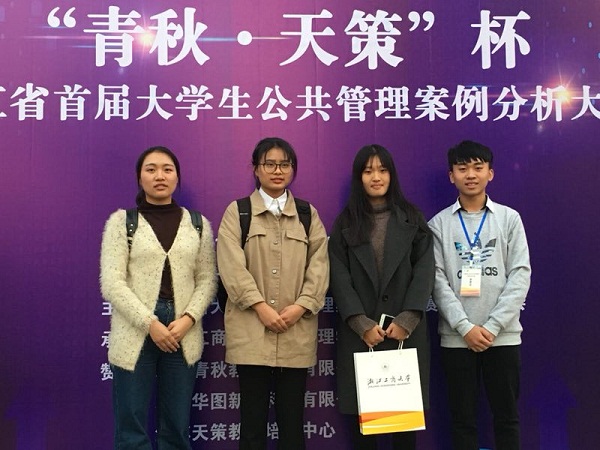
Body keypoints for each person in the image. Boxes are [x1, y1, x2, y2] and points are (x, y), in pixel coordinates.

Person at [100, 146, 217, 449]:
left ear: (177, 177)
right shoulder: (122, 222)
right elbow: (112, 282)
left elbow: (207, 279)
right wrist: (149, 323)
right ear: (139, 177)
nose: (159, 176)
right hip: (134, 330)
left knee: (176, 425)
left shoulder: (198, 224)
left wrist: (188, 319)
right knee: (132, 426)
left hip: (182, 332)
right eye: (150, 169)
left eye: (167, 169)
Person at [216, 137, 329, 450]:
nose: (277, 171)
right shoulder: (238, 212)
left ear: (292, 169)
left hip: (296, 331)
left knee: (292, 427)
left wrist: (301, 306)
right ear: (256, 169)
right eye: (269, 164)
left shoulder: (307, 214)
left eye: (284, 164)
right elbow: (231, 267)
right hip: (251, 332)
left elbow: (320, 266)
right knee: (252, 426)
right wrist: (260, 307)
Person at [328, 144, 434, 450]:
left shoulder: (412, 218)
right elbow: (339, 277)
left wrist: (408, 318)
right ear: (359, 177)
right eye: (368, 170)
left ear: (392, 175)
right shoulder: (346, 223)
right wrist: (361, 323)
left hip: (404, 336)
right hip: (362, 337)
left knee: (403, 432)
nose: (376, 177)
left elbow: (425, 271)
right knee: (365, 433)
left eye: (383, 170)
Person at [428, 140, 531, 450]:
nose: (470, 175)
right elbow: (436, 281)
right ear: (452, 176)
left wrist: (493, 326)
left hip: (503, 337)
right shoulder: (438, 224)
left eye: (477, 167)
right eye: (462, 169)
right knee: (462, 420)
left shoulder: (509, 219)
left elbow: (520, 274)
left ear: (490, 173)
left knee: (507, 417)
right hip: (457, 339)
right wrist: (465, 328)